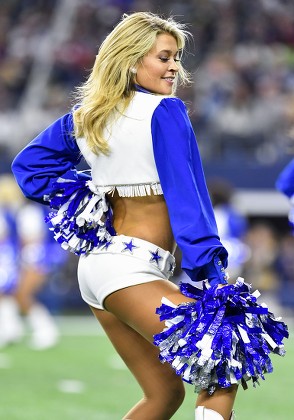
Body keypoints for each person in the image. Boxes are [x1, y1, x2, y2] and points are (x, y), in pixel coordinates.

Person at [11, 12, 287, 420]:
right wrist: (210, 278)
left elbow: (29, 167)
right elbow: (187, 196)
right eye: (163, 57)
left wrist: (86, 200)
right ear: (131, 59)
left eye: (176, 57)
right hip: (131, 269)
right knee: (225, 357)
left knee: (163, 396)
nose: (174, 66)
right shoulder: (166, 111)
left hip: (100, 269)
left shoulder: (89, 117)